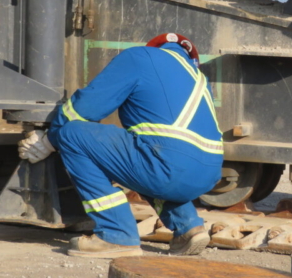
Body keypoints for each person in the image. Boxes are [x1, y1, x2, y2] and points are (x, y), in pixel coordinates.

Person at [18, 33, 223, 258]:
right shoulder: (199, 78)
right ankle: (188, 227)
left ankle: (116, 235)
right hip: (208, 175)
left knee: (72, 133)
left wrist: (49, 140)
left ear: (155, 47)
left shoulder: (141, 57)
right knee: (148, 158)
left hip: (167, 167)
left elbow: (85, 108)